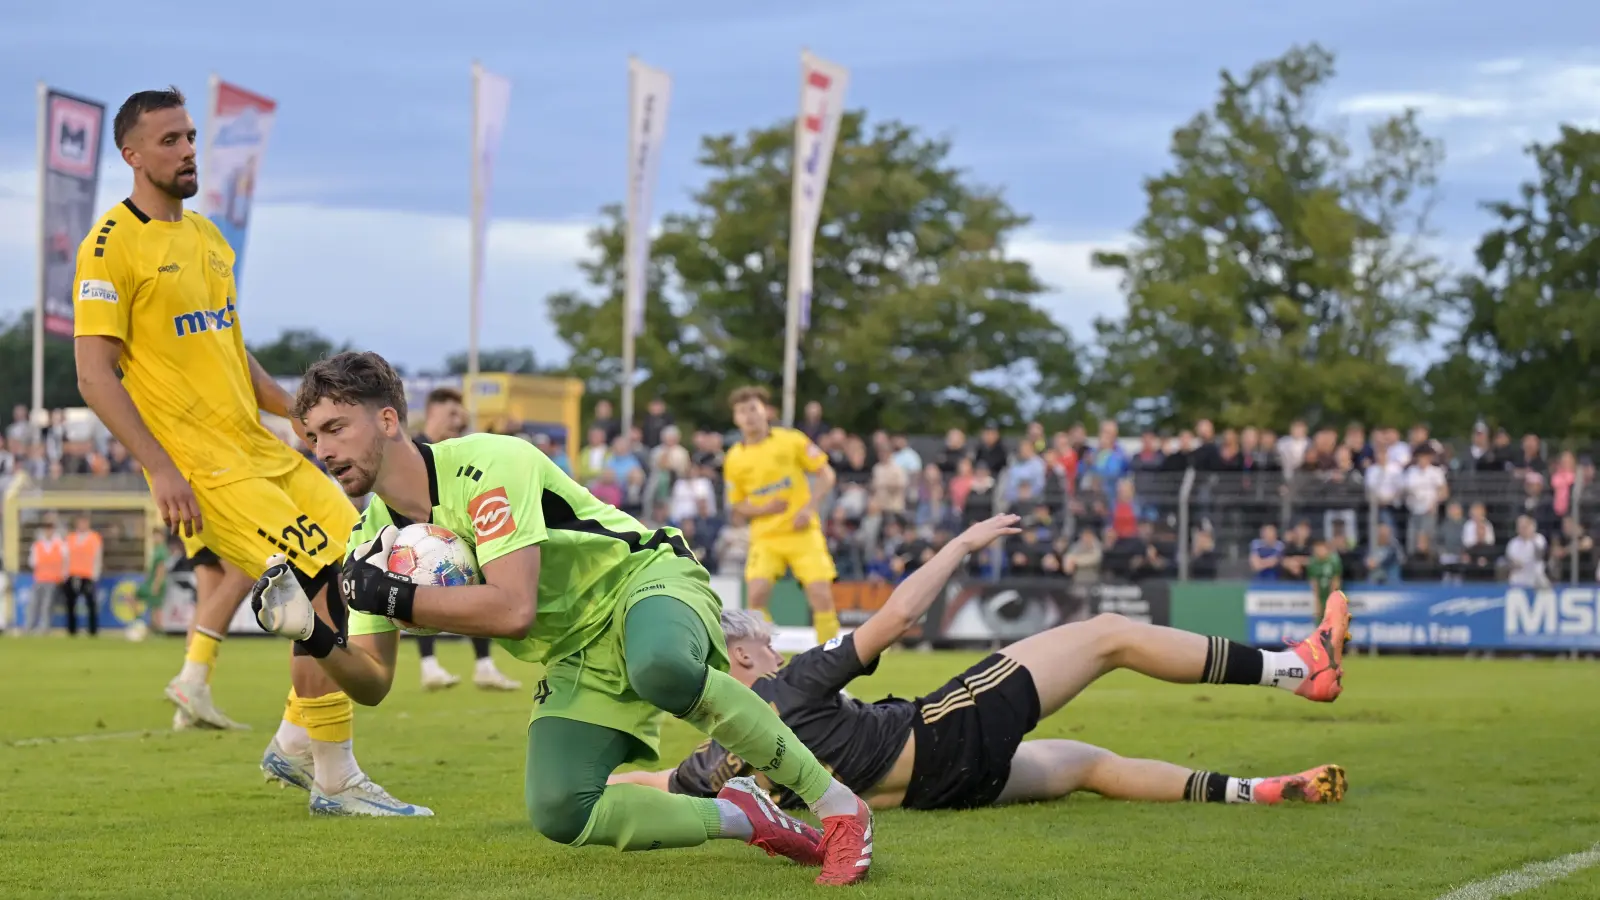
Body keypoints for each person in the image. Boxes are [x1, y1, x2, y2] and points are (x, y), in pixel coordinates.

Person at [250, 352, 874, 885]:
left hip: (642, 581)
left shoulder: (489, 464)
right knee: (560, 809)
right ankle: (744, 817)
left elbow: (515, 610)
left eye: (336, 428)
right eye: (312, 437)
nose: (323, 451)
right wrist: (311, 632)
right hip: (576, 650)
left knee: (659, 665)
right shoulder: (371, 540)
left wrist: (392, 598)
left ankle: (841, 808)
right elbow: (374, 683)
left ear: (387, 420)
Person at [71, 87, 422, 816]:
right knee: (323, 579)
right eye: (170, 140)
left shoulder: (206, 237)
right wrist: (162, 468)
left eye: (192, 135)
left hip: (264, 453)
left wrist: (301, 415)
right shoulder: (109, 247)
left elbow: (232, 352)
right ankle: (332, 774)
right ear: (131, 155)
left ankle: (298, 737)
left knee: (359, 555)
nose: (189, 149)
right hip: (208, 472)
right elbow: (93, 374)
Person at [614, 514, 1351, 814]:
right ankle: (1298, 667)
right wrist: (961, 546)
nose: (779, 650)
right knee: (1108, 634)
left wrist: (582, 785)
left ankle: (1255, 792)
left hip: (943, 791)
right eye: (768, 643)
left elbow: (647, 782)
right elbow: (898, 618)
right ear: (742, 653)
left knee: (1089, 764)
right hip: (944, 729)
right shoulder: (787, 686)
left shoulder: (718, 757)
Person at [411, 387, 521, 692]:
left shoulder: (458, 449)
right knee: (425, 591)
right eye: (451, 414)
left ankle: (484, 665)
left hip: (458, 535)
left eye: (461, 416)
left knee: (479, 591)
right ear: (432, 412)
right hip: (423, 537)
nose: (457, 422)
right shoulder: (414, 448)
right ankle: (429, 665)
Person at [721, 386, 841, 644]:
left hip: (802, 531)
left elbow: (827, 474)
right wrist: (763, 509)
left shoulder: (791, 440)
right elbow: (737, 504)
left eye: (753, 408)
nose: (749, 416)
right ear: (735, 419)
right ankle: (765, 659)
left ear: (766, 411)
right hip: (765, 536)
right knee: (755, 597)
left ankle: (830, 661)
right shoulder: (734, 458)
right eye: (742, 411)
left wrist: (809, 508)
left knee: (821, 594)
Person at [62, 515, 105, 637]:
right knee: (70, 604)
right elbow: (65, 557)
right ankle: (72, 630)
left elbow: (98, 557)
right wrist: (64, 574)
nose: (82, 525)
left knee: (91, 604)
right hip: (72, 574)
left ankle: (92, 630)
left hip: (88, 575)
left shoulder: (94, 538)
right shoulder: (70, 538)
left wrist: (95, 575)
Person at [25, 518, 68, 635]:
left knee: (47, 605)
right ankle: (29, 627)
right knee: (34, 604)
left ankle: (44, 628)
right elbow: (32, 562)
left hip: (53, 579)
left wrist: (63, 576)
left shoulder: (60, 545)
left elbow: (65, 562)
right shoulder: (37, 545)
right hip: (39, 578)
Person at [1306, 536, 1343, 621]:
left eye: (1321, 547)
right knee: (1319, 622)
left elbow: (1336, 582)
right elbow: (1314, 584)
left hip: (1331, 594)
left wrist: (1332, 603)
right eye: (1317, 548)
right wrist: (1317, 603)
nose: (1319, 551)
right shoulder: (1313, 563)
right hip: (1321, 595)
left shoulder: (1334, 561)